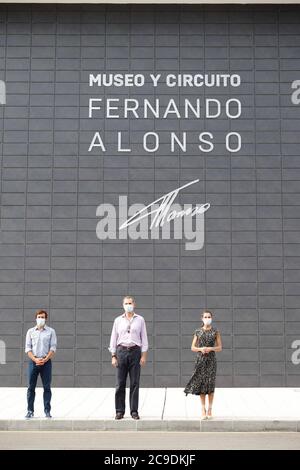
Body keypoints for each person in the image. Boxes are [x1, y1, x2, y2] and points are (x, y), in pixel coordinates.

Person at [109, 295, 148, 420]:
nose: (128, 305)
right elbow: (113, 339)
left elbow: (144, 339)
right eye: (126, 303)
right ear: (123, 305)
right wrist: (113, 356)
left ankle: (134, 411)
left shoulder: (140, 320)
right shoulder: (117, 320)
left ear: (134, 304)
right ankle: (119, 411)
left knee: (135, 383)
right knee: (120, 383)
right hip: (121, 352)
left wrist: (143, 355)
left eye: (130, 303)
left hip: (135, 352)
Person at [184, 310, 222, 419]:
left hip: (211, 360)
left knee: (210, 383)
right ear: (202, 318)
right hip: (200, 360)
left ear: (211, 318)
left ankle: (210, 409)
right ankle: (202, 409)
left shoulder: (215, 331)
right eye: (205, 317)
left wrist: (211, 348)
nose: (207, 318)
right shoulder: (198, 331)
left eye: (209, 317)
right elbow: (192, 347)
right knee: (201, 384)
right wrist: (201, 349)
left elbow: (219, 347)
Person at [24, 309, 57, 419]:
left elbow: (53, 347)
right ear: (36, 318)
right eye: (39, 317)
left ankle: (47, 411)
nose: (41, 319)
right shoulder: (30, 331)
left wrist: (46, 358)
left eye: (43, 317)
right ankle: (30, 411)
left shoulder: (51, 331)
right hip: (33, 362)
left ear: (46, 319)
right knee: (30, 388)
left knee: (47, 387)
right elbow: (28, 348)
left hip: (46, 362)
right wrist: (35, 359)